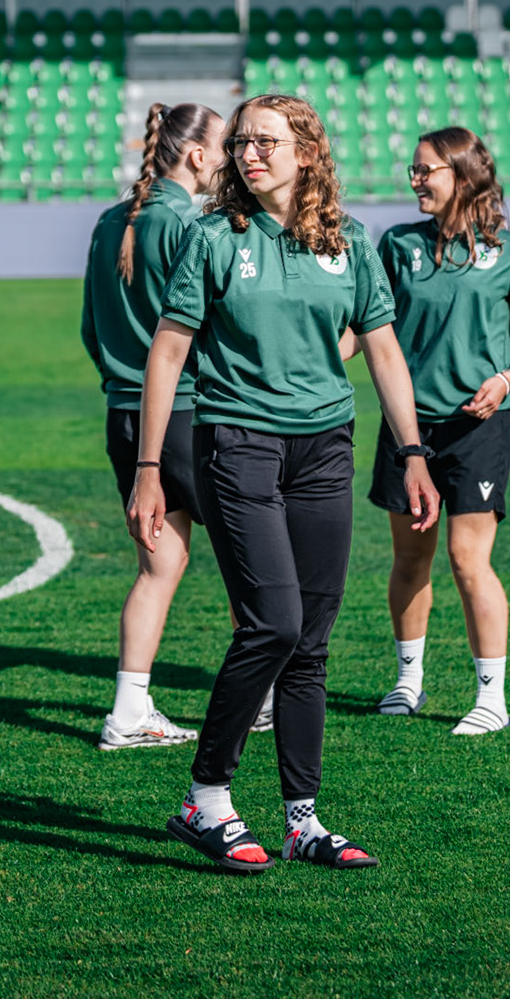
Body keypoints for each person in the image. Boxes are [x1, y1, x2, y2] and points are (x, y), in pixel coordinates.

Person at [128, 93, 439, 874]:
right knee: (272, 624)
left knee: (313, 644)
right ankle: (207, 801)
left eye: (266, 142)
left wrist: (413, 450)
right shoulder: (212, 237)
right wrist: (148, 469)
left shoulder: (349, 240)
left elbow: (384, 352)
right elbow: (165, 355)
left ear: (306, 151)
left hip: (327, 448)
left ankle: (304, 819)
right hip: (237, 446)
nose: (248, 155)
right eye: (240, 145)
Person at [367, 126, 510, 736]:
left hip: (480, 427)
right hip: (407, 428)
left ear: (463, 175)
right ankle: (407, 682)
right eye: (414, 170)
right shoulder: (396, 245)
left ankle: (491, 698)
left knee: (468, 560)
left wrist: (506, 380)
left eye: (426, 170)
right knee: (409, 557)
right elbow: (369, 330)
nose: (415, 180)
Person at [81, 102, 242, 751]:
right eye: (228, 147)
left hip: (125, 417)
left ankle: (129, 711)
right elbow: (206, 335)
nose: (235, 159)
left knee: (159, 567)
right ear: (198, 155)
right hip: (189, 417)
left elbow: (91, 331)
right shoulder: (191, 225)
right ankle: (256, 702)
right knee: (249, 561)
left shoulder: (107, 221)